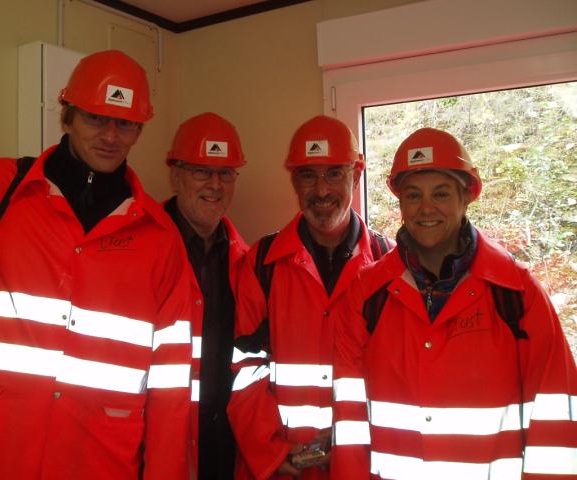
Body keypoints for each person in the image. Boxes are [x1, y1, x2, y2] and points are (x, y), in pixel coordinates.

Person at [0, 50, 193, 479]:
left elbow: (171, 378)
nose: (110, 136)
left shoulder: (160, 237)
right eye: (96, 118)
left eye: (125, 124)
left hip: (96, 456)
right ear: (68, 115)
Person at [331, 127, 577, 479]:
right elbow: (349, 422)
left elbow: (556, 427)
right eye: (413, 195)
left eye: (441, 193)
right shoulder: (367, 293)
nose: (426, 208)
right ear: (400, 203)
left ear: (466, 197)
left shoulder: (516, 291)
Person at [228, 115, 393, 480]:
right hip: (282, 466)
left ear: (356, 175)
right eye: (308, 175)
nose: (321, 190)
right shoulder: (262, 263)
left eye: (334, 173)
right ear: (294, 181)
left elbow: (402, 378)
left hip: (363, 465)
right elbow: (243, 367)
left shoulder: (389, 265)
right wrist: (270, 450)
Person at [164, 112, 248, 479]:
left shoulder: (246, 263)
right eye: (202, 171)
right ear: (175, 175)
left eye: (225, 173)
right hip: (158, 446)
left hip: (223, 449)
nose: (215, 185)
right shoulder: (140, 250)